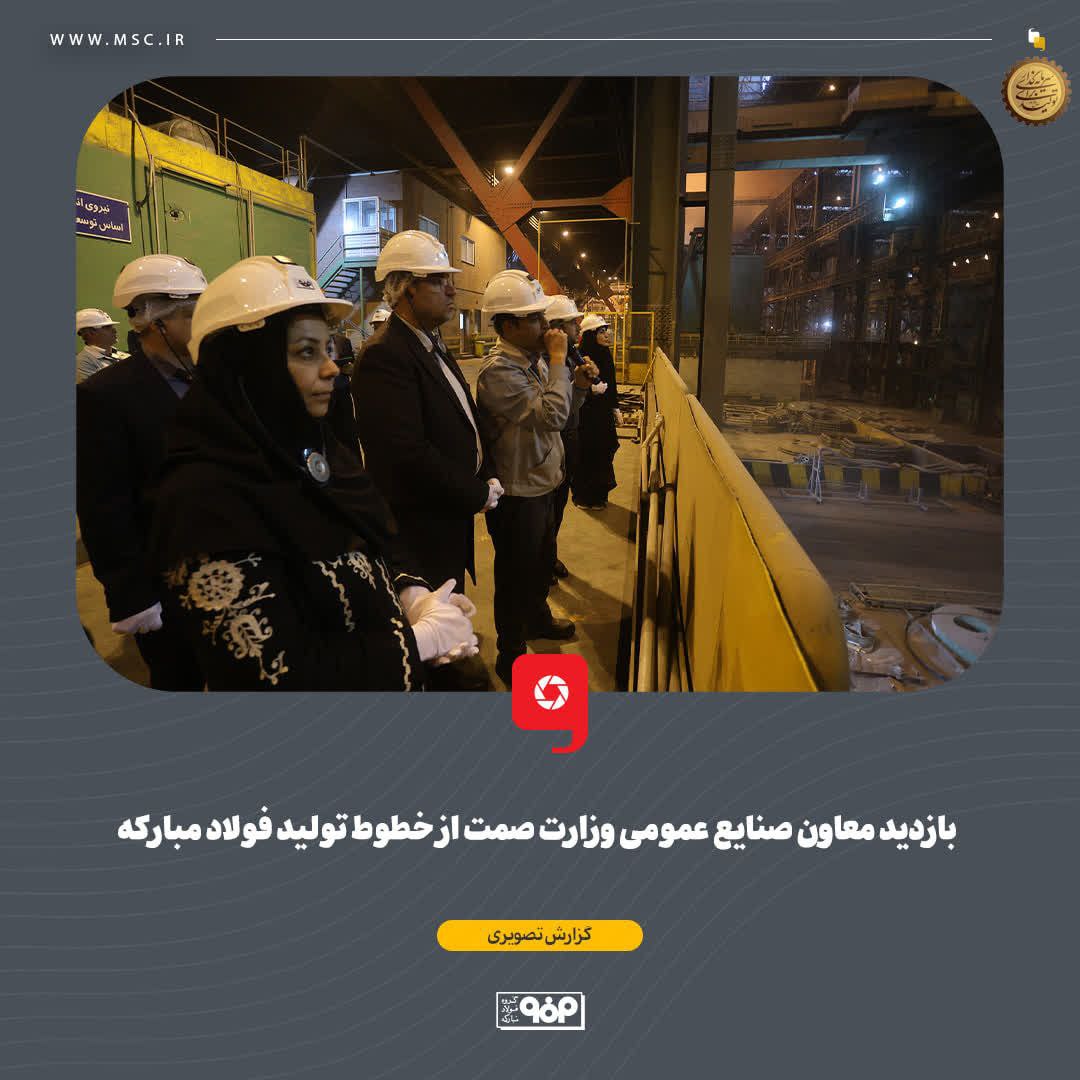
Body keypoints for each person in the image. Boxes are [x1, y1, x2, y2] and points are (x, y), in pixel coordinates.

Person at [149, 255, 478, 691]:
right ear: (249, 365)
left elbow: (374, 536)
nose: (331, 368)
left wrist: (412, 594)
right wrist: (417, 643)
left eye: (328, 350)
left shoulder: (316, 449)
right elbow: (271, 674)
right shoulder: (203, 501)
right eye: (306, 352)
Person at [76, 254, 209, 690]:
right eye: (192, 313)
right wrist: (131, 595)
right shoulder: (105, 396)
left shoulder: (209, 377)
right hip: (164, 580)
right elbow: (103, 506)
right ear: (155, 320)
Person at [352, 230, 501, 594]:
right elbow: (405, 453)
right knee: (433, 616)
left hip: (447, 515)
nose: (451, 290)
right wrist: (475, 492)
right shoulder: (384, 354)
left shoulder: (431, 343)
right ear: (407, 289)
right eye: (438, 280)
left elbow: (463, 416)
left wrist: (486, 472)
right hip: (420, 528)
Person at [476, 271, 594, 686]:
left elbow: (561, 414)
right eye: (535, 318)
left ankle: (537, 619)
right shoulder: (498, 372)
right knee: (515, 576)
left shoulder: (533, 361)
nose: (546, 326)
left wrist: (577, 386)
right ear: (509, 325)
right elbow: (552, 415)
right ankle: (510, 654)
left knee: (541, 563)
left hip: (544, 482)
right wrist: (560, 363)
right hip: (518, 493)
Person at [542, 295, 596, 583]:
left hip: (569, 436)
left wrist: (582, 384)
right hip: (553, 439)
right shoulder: (547, 363)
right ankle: (541, 561)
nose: (578, 328)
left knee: (559, 503)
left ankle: (549, 556)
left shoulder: (570, 357)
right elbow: (552, 414)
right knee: (546, 509)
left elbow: (568, 407)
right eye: (573, 323)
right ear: (558, 328)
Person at [573, 313, 622, 510]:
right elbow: (569, 386)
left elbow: (612, 384)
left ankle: (599, 496)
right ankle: (583, 496)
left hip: (602, 415)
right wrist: (589, 391)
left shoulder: (605, 355)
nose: (607, 335)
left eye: (606, 330)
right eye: (602, 331)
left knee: (603, 452)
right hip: (585, 415)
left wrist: (615, 407)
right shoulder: (578, 356)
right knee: (586, 453)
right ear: (590, 335)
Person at [75, 307, 127, 383]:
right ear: (90, 333)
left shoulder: (122, 355)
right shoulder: (82, 362)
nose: (115, 330)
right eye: (107, 327)